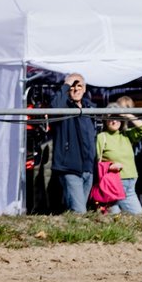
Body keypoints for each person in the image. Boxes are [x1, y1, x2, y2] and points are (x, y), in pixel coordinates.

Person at [50, 72, 97, 213]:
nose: (75, 89)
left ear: (84, 88)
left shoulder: (90, 109)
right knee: (79, 211)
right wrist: (66, 84)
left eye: (79, 86)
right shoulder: (63, 107)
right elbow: (54, 107)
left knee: (76, 211)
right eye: (72, 87)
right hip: (69, 168)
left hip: (88, 169)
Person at [94, 105, 142, 214]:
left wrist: (126, 114)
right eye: (111, 118)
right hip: (113, 184)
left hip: (130, 184)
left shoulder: (127, 135)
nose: (114, 121)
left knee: (138, 216)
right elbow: (97, 162)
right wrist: (110, 166)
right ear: (105, 121)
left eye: (117, 118)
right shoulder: (102, 137)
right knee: (113, 218)